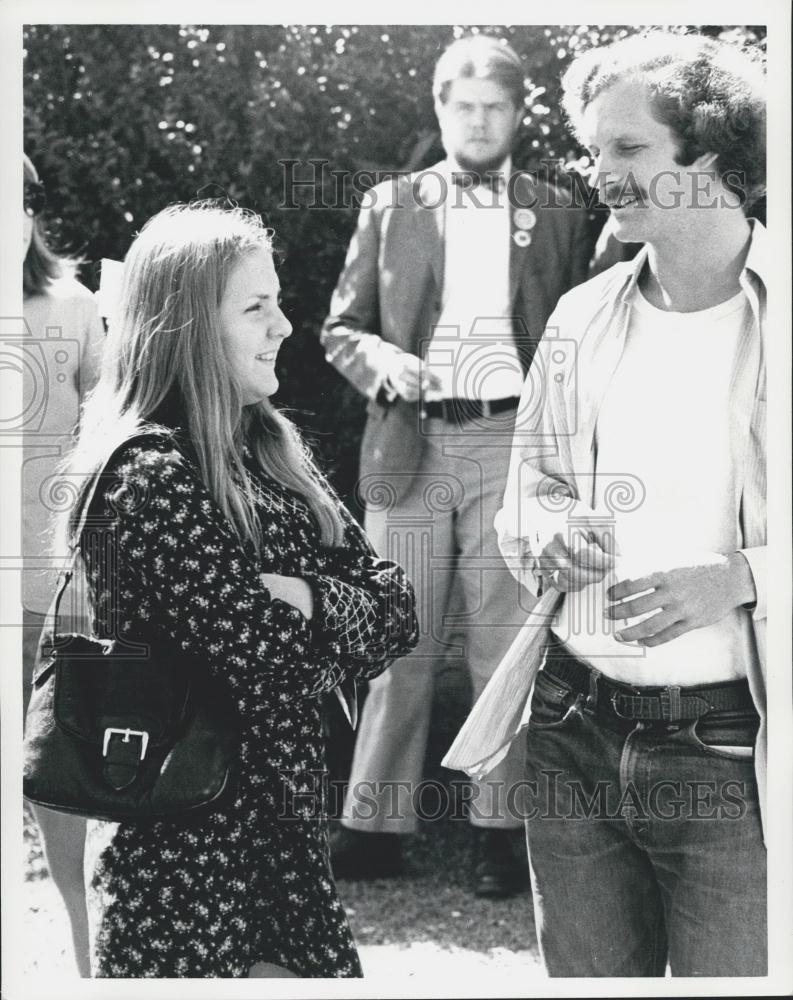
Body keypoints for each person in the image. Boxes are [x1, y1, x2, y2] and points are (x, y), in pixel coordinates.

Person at [56, 202, 418, 978]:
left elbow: (396, 611)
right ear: (187, 327)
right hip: (179, 864)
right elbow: (266, 658)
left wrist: (305, 597)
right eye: (256, 308)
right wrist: (324, 622)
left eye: (277, 301)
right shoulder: (146, 477)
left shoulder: (270, 453)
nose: (284, 326)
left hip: (284, 850)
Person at [494, 31, 767, 975]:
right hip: (569, 722)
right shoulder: (581, 313)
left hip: (735, 752)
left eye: (628, 148)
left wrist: (739, 577)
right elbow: (522, 489)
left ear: (714, 154)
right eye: (592, 148)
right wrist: (542, 531)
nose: (598, 171)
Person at [321, 34, 591, 896]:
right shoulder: (389, 203)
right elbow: (339, 328)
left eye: (494, 107)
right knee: (395, 640)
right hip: (409, 441)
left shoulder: (557, 208)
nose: (477, 121)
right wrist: (378, 363)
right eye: (461, 105)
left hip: (513, 444)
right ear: (439, 109)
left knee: (501, 642)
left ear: (517, 114)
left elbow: (578, 332)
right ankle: (372, 826)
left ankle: (500, 829)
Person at [22, 152, 105, 978]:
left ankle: (91, 970)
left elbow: (117, 427)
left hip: (56, 588)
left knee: (61, 788)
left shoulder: (75, 306)